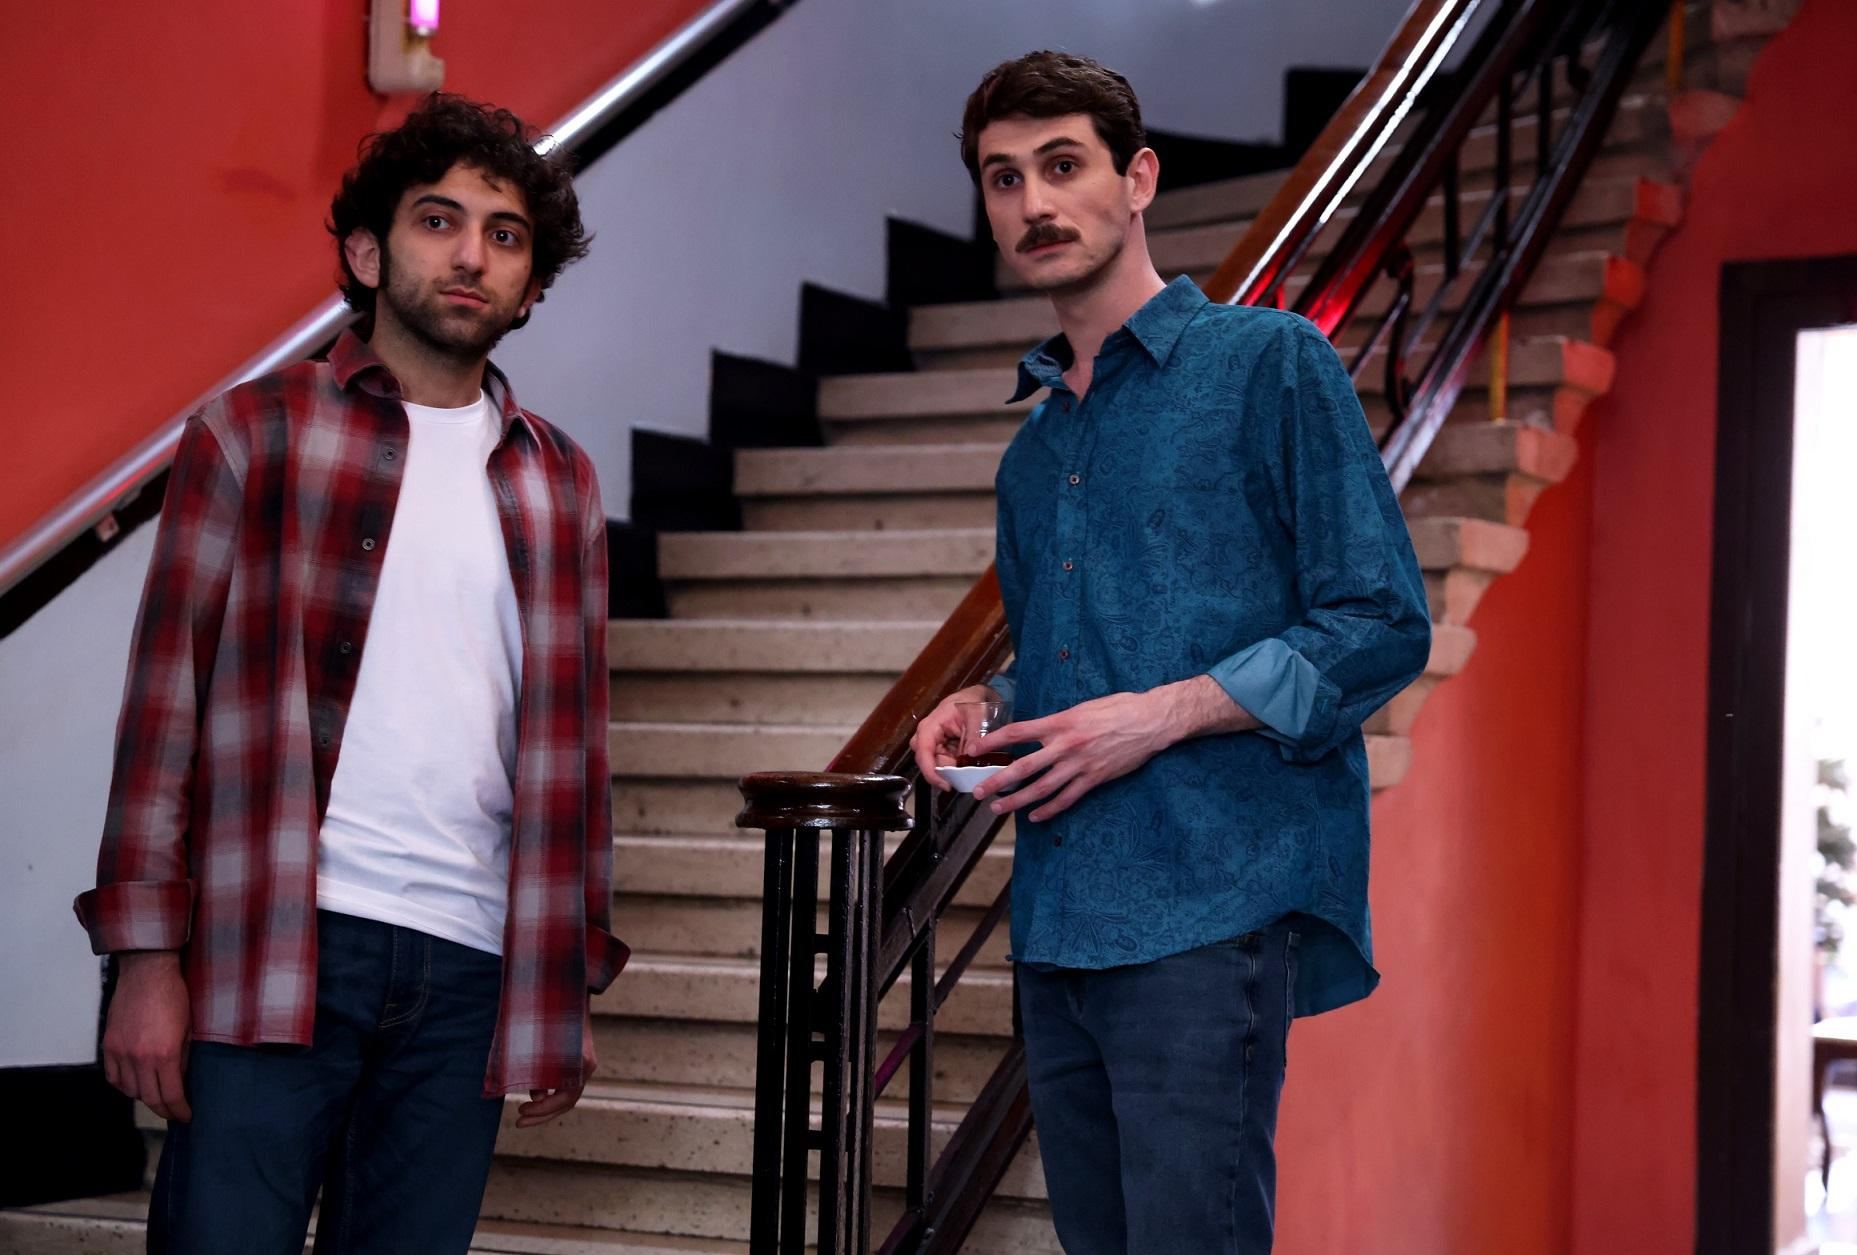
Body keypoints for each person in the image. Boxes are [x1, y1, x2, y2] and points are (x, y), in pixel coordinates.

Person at [73, 93, 626, 1255]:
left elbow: (576, 752)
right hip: (275, 943)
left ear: (530, 285)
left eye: (506, 236)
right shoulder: (252, 433)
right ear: (370, 254)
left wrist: (562, 981)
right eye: (439, 221)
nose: (471, 255)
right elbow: (163, 715)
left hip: (470, 969)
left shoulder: (560, 481)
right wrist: (145, 957)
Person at [909, 52, 1432, 1254]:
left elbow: (1379, 621)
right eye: (1004, 178)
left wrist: (1162, 713)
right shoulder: (1033, 455)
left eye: (1063, 165)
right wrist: (988, 698)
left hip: (1208, 904)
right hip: (1059, 920)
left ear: (1138, 178)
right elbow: (1076, 660)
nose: (1034, 202)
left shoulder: (1269, 363)